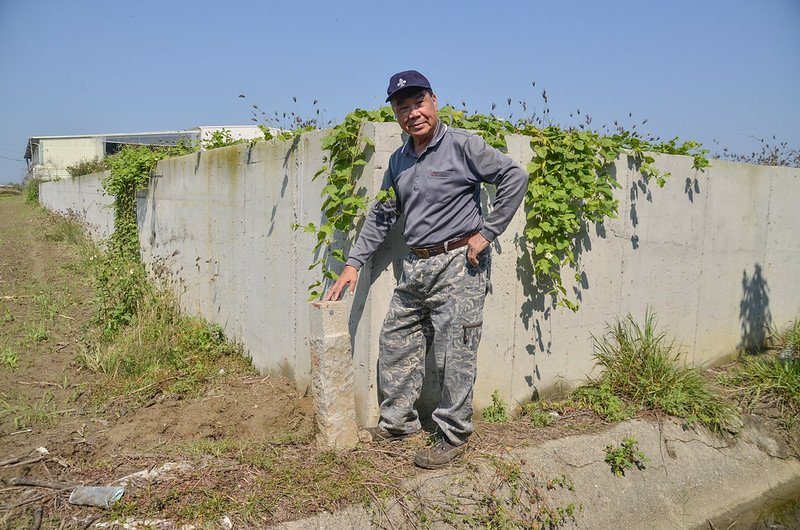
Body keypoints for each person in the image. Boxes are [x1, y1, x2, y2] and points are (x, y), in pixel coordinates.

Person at [324, 70, 528, 468]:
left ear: (434, 101)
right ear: (396, 113)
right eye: (403, 106)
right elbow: (383, 215)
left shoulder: (463, 146)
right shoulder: (399, 160)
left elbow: (514, 176)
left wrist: (487, 233)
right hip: (416, 266)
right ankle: (399, 423)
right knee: (395, 341)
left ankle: (453, 434)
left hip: (459, 264)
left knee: (456, 353)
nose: (412, 112)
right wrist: (353, 263)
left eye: (418, 103)